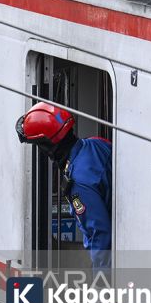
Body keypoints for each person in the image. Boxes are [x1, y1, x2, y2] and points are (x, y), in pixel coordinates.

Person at [16, 102, 112, 277]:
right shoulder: (95, 144)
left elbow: (100, 233)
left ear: (48, 147)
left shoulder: (79, 183)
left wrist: (100, 283)